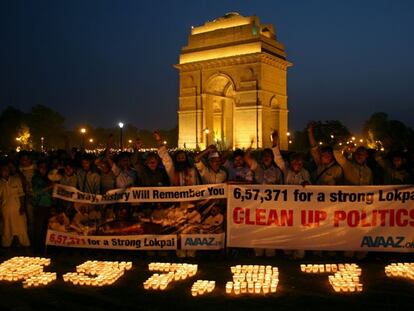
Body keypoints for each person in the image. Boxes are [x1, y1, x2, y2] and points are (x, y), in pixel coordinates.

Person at [0, 162, 30, 248]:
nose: (4, 172)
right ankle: (6, 246)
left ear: (9, 171)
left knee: (22, 228)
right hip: (5, 210)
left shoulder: (16, 179)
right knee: (6, 229)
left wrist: (22, 206)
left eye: (6, 170)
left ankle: (25, 245)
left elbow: (21, 194)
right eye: (2, 170)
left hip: (17, 209)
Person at [32, 159, 54, 253]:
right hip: (40, 206)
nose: (44, 169)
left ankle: (45, 248)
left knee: (47, 228)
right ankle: (38, 249)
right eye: (42, 167)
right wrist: (51, 186)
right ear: (38, 168)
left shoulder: (49, 178)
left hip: (48, 206)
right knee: (39, 229)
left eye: (45, 167)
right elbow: (37, 191)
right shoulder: (36, 178)